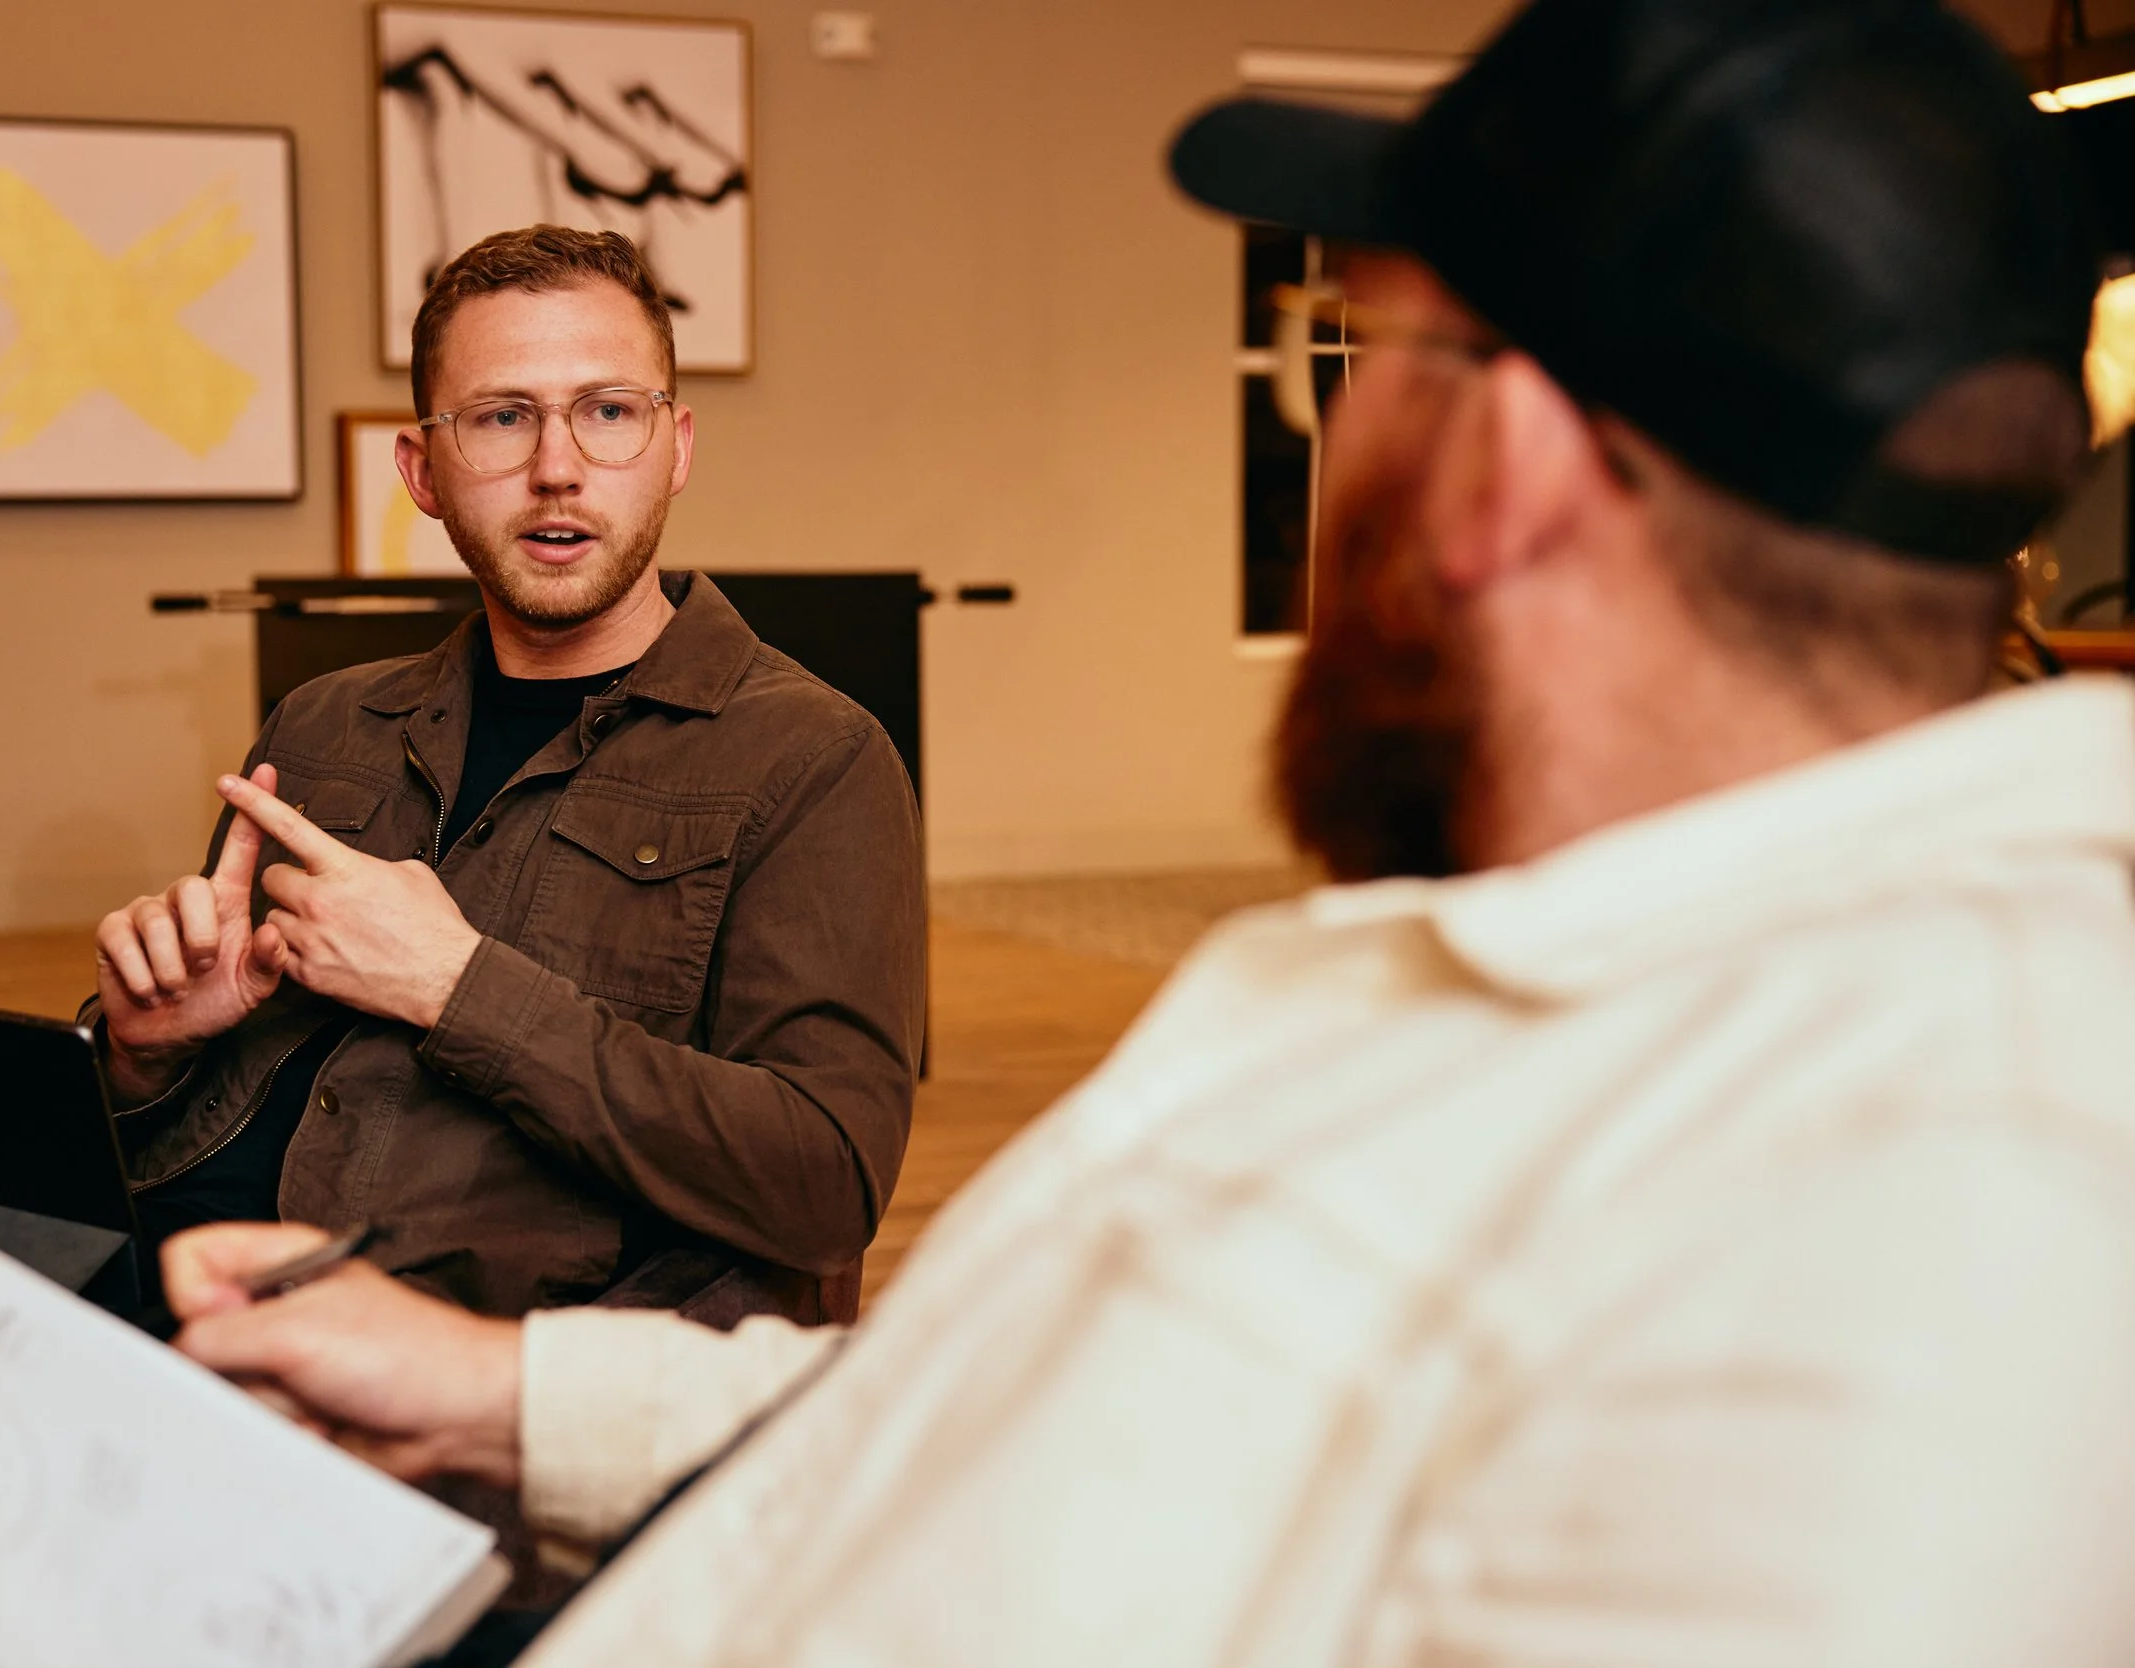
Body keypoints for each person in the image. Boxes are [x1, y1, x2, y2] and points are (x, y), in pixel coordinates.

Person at [163, 3, 2135, 1662]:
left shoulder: (1965, 1177)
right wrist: (508, 1399)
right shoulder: (1485, 960)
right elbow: (1032, 1409)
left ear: (1508, 461)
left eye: (1351, 362)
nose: (1323, 426)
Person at [92, 225, 924, 1319]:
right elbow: (184, 1114)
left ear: (675, 447)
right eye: (500, 417)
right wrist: (144, 1055)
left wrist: (455, 987)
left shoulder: (813, 760)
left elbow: (822, 1185)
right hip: (165, 1313)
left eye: (608, 412)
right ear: (422, 470)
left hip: (448, 1391)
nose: (557, 469)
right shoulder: (324, 724)